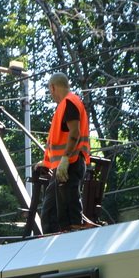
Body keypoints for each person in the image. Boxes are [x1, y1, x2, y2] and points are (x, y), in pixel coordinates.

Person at [38, 72, 91, 233]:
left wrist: (65, 159)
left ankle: (72, 236)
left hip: (70, 163)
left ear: (52, 87)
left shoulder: (69, 102)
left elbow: (74, 133)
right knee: (50, 212)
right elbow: (58, 140)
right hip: (62, 165)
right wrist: (46, 163)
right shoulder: (65, 106)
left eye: (49, 90)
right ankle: (53, 241)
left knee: (69, 214)